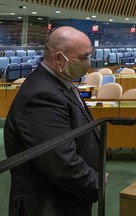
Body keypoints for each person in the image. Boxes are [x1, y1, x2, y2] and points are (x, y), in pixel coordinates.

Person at [4, 26, 101, 216]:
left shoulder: (59, 83)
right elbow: (62, 163)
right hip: (49, 206)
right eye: (82, 58)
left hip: (66, 198)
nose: (88, 63)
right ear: (59, 59)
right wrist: (97, 184)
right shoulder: (41, 97)